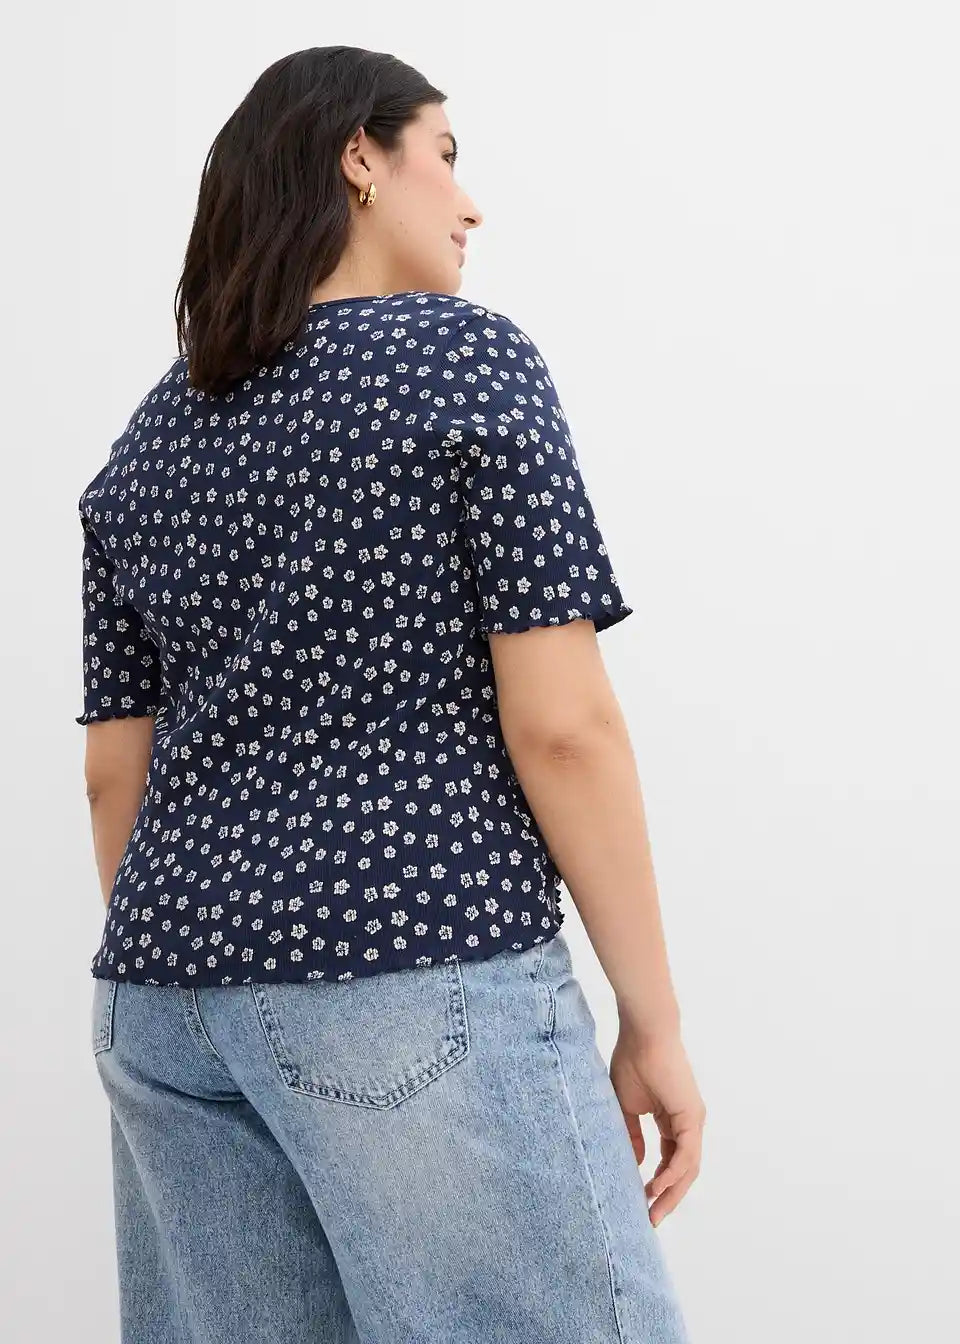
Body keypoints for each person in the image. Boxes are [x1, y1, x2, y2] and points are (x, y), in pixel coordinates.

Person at [78, 44, 704, 1343]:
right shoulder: (462, 361)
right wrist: (653, 1021)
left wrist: (218, 964)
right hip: (406, 963)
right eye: (446, 156)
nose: (471, 203)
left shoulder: (149, 440)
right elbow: (564, 727)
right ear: (358, 156)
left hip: (164, 1008)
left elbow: (111, 773)